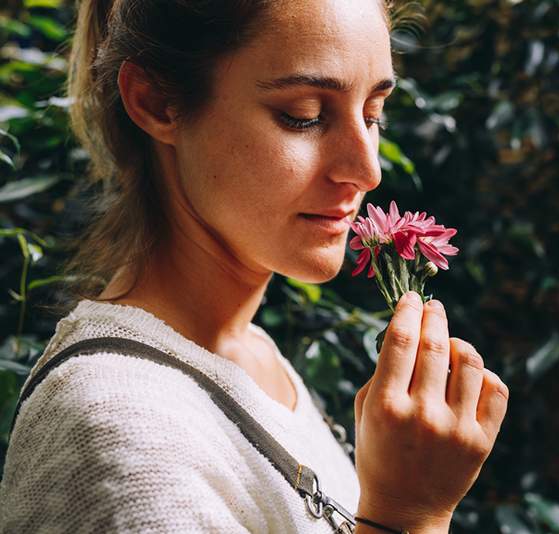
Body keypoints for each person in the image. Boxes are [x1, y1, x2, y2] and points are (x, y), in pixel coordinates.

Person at [0, 0, 510, 532]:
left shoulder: (253, 358)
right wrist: (409, 514)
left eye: (372, 115)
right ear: (156, 103)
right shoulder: (116, 427)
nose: (367, 170)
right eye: (305, 116)